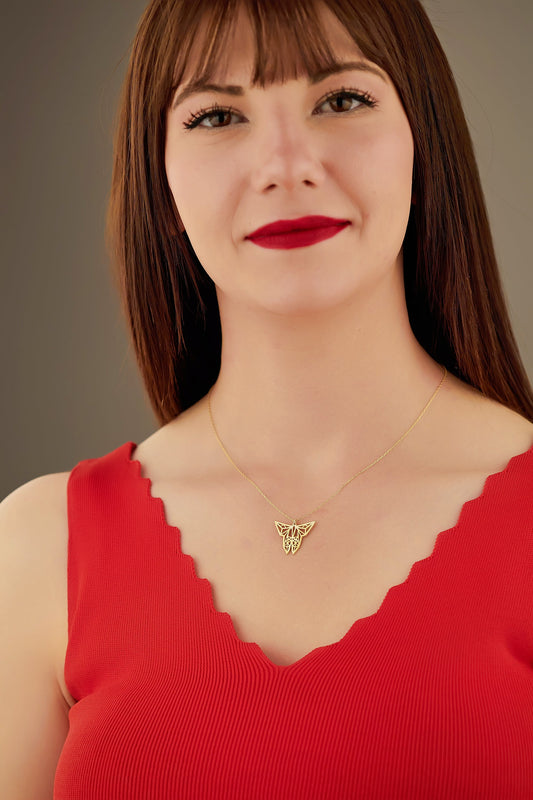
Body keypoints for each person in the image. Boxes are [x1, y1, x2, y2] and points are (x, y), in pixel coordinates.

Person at [1, 0, 532, 797]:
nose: (285, 165)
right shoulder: (40, 551)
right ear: (159, 182)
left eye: (341, 99)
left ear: (424, 141)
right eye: (217, 116)